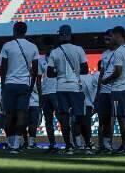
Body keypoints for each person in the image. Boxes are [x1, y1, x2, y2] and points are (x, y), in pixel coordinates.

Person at [0, 22, 40, 154]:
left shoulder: (7, 46)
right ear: (25, 31)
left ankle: (11, 143)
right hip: (24, 86)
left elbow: (2, 69)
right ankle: (15, 145)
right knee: (22, 116)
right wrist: (31, 86)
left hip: (9, 84)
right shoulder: (33, 47)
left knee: (9, 116)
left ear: (14, 30)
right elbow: (36, 70)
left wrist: (3, 86)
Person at [47, 24, 88, 155]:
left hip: (61, 87)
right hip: (75, 87)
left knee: (64, 119)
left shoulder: (55, 52)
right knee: (81, 118)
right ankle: (87, 145)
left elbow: (49, 73)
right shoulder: (79, 49)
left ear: (60, 36)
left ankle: (69, 146)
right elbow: (85, 70)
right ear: (70, 35)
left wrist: (59, 73)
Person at [101, 26, 125, 155]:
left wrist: (106, 80)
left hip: (118, 89)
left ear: (119, 36)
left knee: (121, 119)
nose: (111, 38)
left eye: (113, 35)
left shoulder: (119, 51)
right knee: (123, 117)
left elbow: (118, 71)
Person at [96, 29, 117, 153]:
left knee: (114, 119)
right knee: (104, 119)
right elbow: (101, 73)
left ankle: (113, 144)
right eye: (105, 40)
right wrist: (98, 92)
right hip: (104, 91)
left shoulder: (121, 52)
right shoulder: (104, 54)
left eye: (108, 39)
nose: (106, 42)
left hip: (115, 90)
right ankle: (105, 145)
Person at [39, 37, 58, 153]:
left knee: (62, 117)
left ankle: (69, 144)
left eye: (51, 47)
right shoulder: (41, 61)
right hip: (46, 93)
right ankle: (52, 145)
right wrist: (40, 95)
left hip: (57, 92)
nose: (49, 49)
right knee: (48, 121)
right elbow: (38, 78)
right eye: (47, 47)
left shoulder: (58, 58)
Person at [79, 68, 99, 154]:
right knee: (85, 124)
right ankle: (88, 142)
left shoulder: (78, 77)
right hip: (89, 104)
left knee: (80, 124)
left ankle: (84, 143)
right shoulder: (92, 77)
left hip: (81, 104)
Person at [26, 79, 42, 149]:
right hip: (35, 104)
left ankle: (27, 143)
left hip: (26, 104)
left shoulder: (25, 79)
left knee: (28, 125)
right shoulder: (36, 81)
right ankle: (31, 143)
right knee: (33, 125)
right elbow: (39, 91)